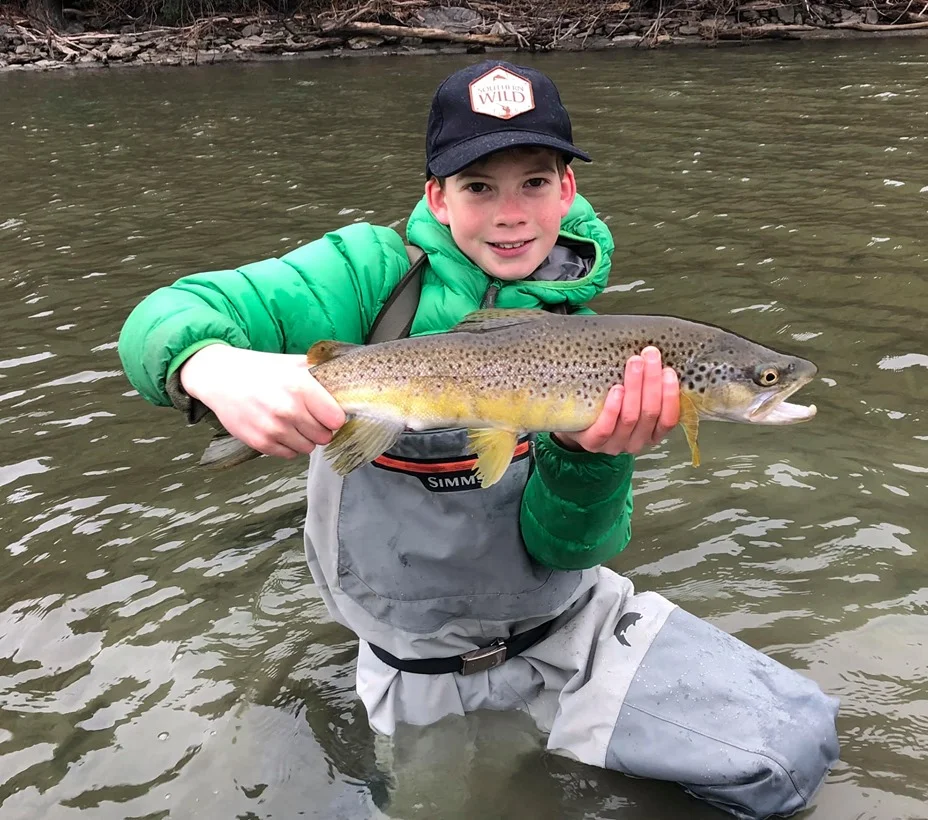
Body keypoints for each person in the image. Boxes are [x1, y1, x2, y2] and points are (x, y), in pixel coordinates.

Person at [118, 60, 839, 819]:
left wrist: (592, 459)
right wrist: (213, 366)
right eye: (478, 186)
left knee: (795, 747)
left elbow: (567, 548)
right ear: (437, 195)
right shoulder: (369, 276)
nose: (511, 213)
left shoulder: (600, 344)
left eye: (534, 182)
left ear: (568, 191)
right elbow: (163, 316)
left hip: (571, 622)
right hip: (423, 665)